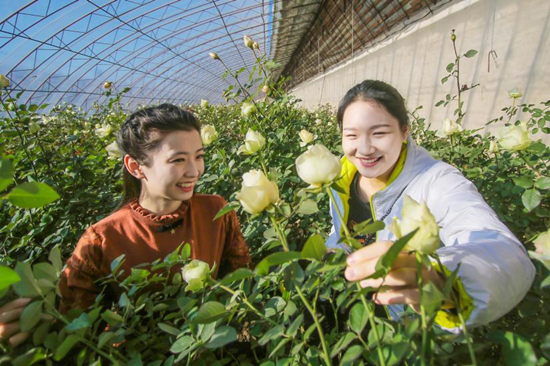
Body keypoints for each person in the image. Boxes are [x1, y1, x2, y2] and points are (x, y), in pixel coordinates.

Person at [0, 104, 251, 346]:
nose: (194, 171)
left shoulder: (216, 211)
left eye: (199, 156)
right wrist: (43, 320)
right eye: (178, 160)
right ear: (135, 167)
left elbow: (241, 281)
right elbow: (76, 319)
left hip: (219, 347)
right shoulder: (102, 238)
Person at [326, 80, 535, 332]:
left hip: (414, 330)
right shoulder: (341, 178)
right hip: (361, 315)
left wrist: (441, 280)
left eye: (379, 133)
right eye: (351, 135)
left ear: (405, 131)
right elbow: (339, 231)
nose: (365, 149)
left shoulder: (437, 181)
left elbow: (505, 253)